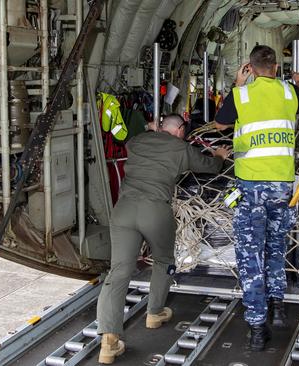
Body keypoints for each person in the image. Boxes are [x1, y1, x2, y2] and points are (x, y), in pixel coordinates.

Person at [97, 114, 231, 364]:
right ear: (180, 130)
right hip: (154, 210)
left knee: (118, 272)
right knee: (163, 260)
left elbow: (137, 136)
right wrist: (220, 155)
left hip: (123, 210)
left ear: (160, 127)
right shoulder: (180, 147)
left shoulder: (137, 142)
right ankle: (155, 313)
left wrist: (151, 128)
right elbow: (210, 167)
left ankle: (108, 342)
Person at [214, 45, 299, 351]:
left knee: (250, 255)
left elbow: (220, 123)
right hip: (282, 187)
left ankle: (257, 327)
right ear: (277, 68)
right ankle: (278, 306)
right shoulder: (288, 93)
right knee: (276, 245)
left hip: (251, 188)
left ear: (251, 68)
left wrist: (238, 85)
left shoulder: (241, 96)